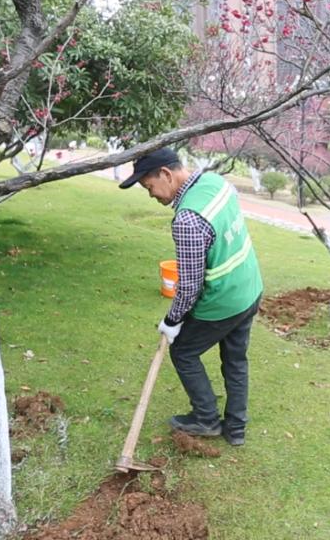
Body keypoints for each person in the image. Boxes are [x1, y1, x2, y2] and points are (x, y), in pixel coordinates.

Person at [119, 148, 263, 446]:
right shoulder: (217, 183)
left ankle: (206, 419)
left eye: (149, 187)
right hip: (249, 287)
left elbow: (190, 287)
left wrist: (172, 321)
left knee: (183, 351)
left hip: (224, 300)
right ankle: (235, 429)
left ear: (166, 175)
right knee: (235, 359)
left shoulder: (187, 221)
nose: (151, 195)